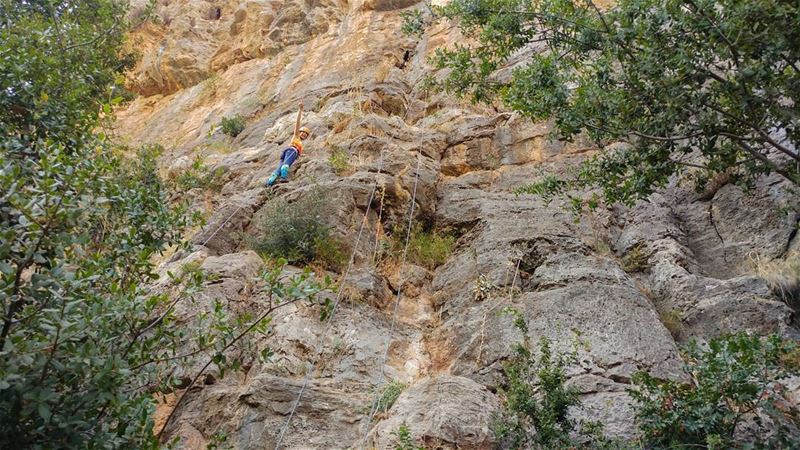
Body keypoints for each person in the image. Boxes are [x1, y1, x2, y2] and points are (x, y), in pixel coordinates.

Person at [265, 103, 309, 186]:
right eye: (303, 133)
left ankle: (269, 182)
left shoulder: (299, 143)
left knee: (279, 167)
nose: (304, 135)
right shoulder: (296, 136)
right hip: (291, 150)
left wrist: (301, 155)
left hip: (288, 152)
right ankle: (283, 178)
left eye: (305, 135)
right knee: (286, 164)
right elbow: (297, 123)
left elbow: (298, 153)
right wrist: (300, 110)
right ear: (299, 132)